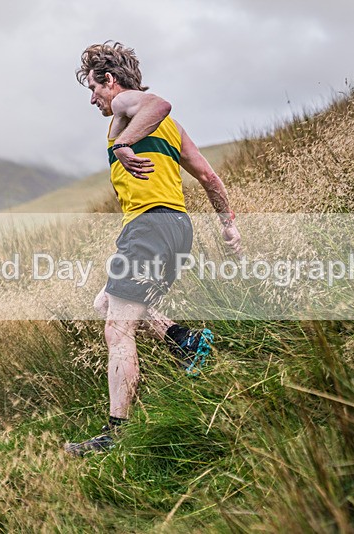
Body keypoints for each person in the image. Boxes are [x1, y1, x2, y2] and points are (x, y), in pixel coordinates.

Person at [64, 41, 242, 456]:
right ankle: (185, 341)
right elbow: (209, 176)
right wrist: (228, 224)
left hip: (148, 227)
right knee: (106, 304)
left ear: (110, 80)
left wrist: (122, 144)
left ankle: (116, 435)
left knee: (117, 328)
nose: (93, 99)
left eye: (94, 88)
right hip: (177, 228)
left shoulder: (125, 104)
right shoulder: (170, 129)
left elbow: (159, 102)